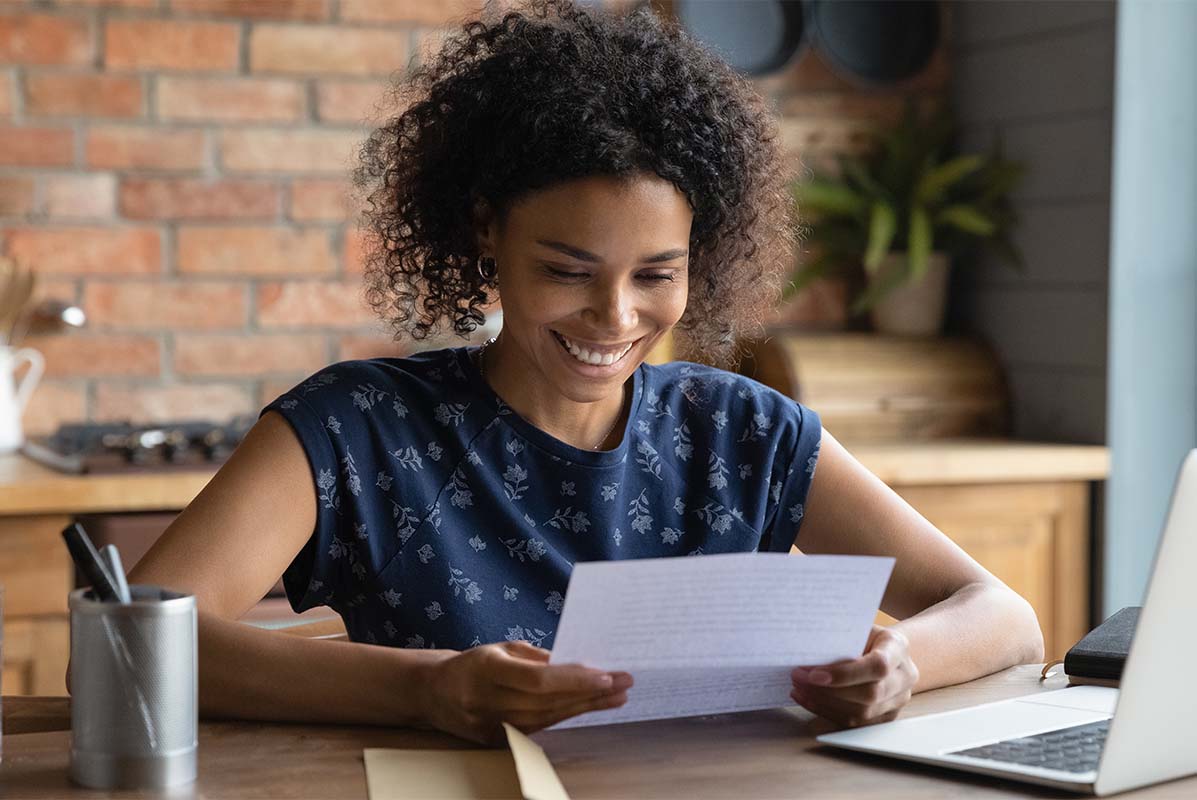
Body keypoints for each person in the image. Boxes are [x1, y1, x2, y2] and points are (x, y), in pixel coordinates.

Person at [128, 0, 1043, 745]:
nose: (614, 318)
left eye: (656, 275)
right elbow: (135, 642)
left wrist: (902, 663)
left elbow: (1001, 616)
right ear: (486, 234)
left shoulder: (742, 432)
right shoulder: (356, 426)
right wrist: (424, 691)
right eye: (566, 272)